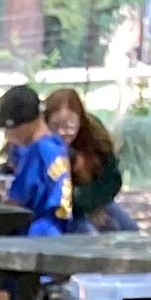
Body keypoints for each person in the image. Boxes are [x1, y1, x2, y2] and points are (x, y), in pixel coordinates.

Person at [0, 83, 72, 300]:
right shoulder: (56, 145)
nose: (7, 136)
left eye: (9, 130)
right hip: (55, 234)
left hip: (36, 238)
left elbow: (19, 198)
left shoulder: (36, 151)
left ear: (24, 124)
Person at [45, 86, 130, 230]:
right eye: (55, 125)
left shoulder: (96, 137)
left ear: (81, 120)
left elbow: (113, 179)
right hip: (63, 210)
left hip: (98, 199)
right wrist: (85, 207)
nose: (62, 132)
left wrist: (94, 203)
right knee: (89, 232)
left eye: (70, 125)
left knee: (128, 229)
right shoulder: (42, 143)